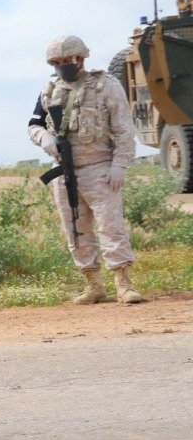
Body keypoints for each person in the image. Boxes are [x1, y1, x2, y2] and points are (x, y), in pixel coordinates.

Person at [29, 34, 143, 304]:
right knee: (75, 229)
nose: (62, 65)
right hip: (65, 171)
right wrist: (44, 138)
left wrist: (120, 164)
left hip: (100, 168)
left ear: (81, 59)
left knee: (111, 227)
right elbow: (34, 123)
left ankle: (124, 284)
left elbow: (123, 127)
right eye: (57, 62)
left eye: (67, 60)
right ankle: (93, 285)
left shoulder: (106, 86)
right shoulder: (49, 91)